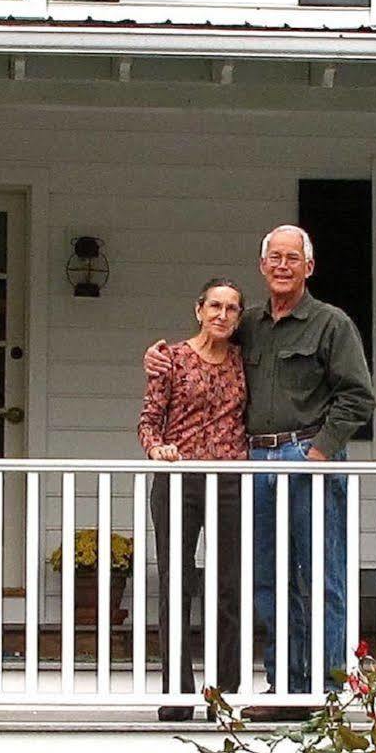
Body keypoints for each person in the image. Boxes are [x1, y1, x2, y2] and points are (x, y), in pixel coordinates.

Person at [241, 225, 374, 716]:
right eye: (274, 257)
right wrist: (163, 357)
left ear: (309, 267)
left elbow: (358, 396)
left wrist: (320, 451)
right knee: (268, 579)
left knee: (320, 576)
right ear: (262, 266)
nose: (282, 265)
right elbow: (208, 356)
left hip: (307, 456)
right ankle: (285, 689)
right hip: (256, 459)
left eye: (292, 258)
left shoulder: (330, 323)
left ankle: (326, 690)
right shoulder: (249, 324)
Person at [138, 279, 249, 722]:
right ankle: (178, 691)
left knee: (228, 586)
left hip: (229, 479)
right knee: (176, 581)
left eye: (232, 309)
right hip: (178, 477)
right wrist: (157, 449)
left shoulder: (245, 362)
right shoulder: (171, 358)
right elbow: (148, 421)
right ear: (198, 309)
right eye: (215, 306)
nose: (222, 315)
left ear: (240, 318)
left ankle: (222, 692)